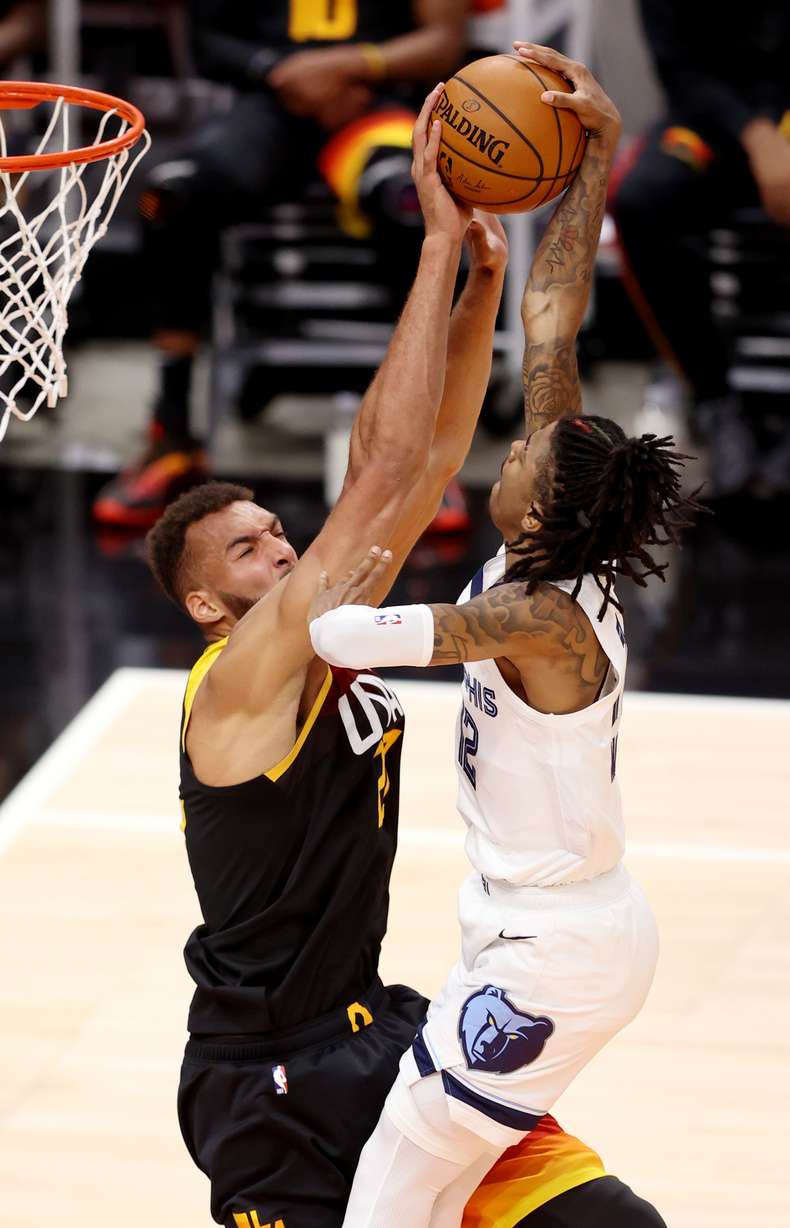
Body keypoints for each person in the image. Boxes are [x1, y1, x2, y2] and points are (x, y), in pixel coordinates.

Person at [145, 66, 666, 1228]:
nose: (280, 545)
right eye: (245, 548)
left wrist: (480, 282)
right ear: (206, 608)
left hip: (383, 1022)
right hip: (269, 1075)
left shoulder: (351, 627)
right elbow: (385, 474)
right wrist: (440, 248)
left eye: (275, 529)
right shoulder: (242, 679)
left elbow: (423, 468)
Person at [308, 44, 696, 1228]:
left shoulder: (539, 619)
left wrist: (362, 528)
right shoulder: (560, 542)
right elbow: (552, 315)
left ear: (546, 507)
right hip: (525, 929)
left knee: (397, 1183)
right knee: (438, 1190)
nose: (512, 448)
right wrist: (588, 159)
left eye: (523, 454)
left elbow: (345, 632)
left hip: (555, 955)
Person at [93, 0, 468, 529]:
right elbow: (205, 41)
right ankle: (170, 435)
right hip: (270, 106)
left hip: (375, 104)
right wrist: (279, 71)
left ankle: (421, 449)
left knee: (410, 203)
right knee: (170, 200)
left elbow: (444, 43)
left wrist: (346, 66)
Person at [611, 0, 790, 496]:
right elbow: (680, 70)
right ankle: (715, 398)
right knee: (641, 200)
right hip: (706, 122)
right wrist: (757, 134)